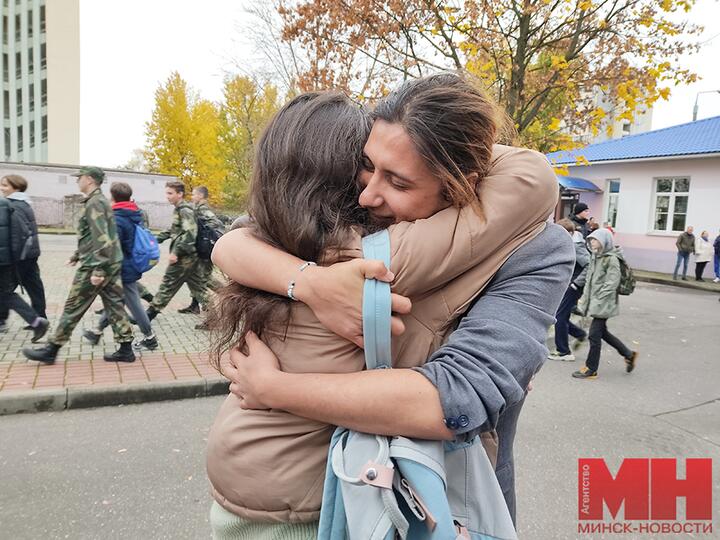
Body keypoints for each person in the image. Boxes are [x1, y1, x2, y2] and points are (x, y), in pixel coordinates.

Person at [210, 75, 574, 532]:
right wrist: (310, 284)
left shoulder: (535, 250)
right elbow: (238, 237)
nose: (366, 194)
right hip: (328, 484)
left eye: (398, 181)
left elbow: (455, 397)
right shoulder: (359, 216)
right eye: (367, 165)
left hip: (435, 495)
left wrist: (274, 388)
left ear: (463, 183)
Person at [23, 167, 135, 364]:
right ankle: (126, 348)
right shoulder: (99, 201)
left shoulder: (95, 203)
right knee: (115, 305)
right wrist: (77, 254)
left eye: (80, 178)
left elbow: (102, 236)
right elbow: (94, 235)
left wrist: (98, 269)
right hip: (109, 262)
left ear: (89, 180)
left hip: (96, 265)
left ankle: (52, 349)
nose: (78, 181)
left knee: (73, 306)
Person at [83, 182, 158, 351]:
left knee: (132, 305)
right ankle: (97, 331)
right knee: (115, 301)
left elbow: (113, 246)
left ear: (113, 197)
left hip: (123, 268)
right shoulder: (134, 212)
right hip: (129, 265)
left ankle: (150, 337)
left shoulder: (117, 218)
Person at [572, 228, 637, 379]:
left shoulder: (611, 259)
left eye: (595, 240)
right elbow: (589, 281)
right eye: (591, 240)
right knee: (603, 334)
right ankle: (628, 354)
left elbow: (611, 283)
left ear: (604, 241)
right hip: (596, 302)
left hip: (605, 304)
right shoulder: (596, 256)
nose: (592, 242)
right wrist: (584, 300)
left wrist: (598, 299)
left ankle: (591, 368)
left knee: (594, 335)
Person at [146, 181, 209, 321]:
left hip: (185, 257)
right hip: (190, 256)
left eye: (170, 193)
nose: (167, 196)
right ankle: (217, 316)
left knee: (168, 284)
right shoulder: (179, 209)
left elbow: (190, 233)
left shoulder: (184, 210)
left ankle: (148, 315)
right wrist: (157, 238)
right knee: (199, 288)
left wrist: (176, 252)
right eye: (166, 193)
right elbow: (174, 230)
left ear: (180, 194)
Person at [0, 174, 47, 329]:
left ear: (16, 187)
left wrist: (13, 258)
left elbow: (18, 233)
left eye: (5, 185)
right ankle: (40, 316)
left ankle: (3, 320)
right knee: (34, 285)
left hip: (20, 255)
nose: (1, 188)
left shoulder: (12, 204)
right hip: (31, 253)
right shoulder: (25, 202)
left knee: (5, 290)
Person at [177, 186, 223, 317]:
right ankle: (194, 305)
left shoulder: (203, 209)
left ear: (201, 196)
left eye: (194, 194)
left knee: (204, 279)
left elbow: (214, 222)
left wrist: (203, 231)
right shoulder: (197, 208)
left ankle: (227, 295)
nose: (192, 197)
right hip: (201, 249)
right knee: (196, 278)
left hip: (206, 250)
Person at [548, 218, 589, 361]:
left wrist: (576, 283)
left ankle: (564, 351)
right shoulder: (568, 243)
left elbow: (589, 265)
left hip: (573, 287)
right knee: (561, 315)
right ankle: (579, 334)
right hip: (569, 285)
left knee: (559, 316)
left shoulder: (577, 246)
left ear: (569, 233)